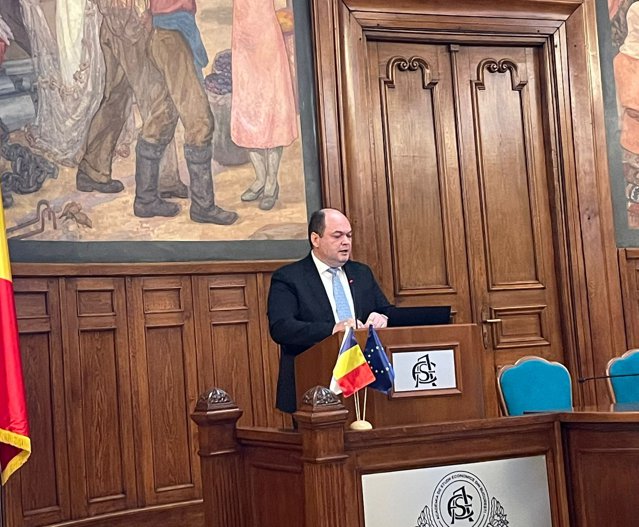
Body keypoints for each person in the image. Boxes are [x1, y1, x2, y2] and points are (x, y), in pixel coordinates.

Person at [267, 208, 392, 413]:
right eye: (337, 236)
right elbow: (282, 328)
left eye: (349, 236)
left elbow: (384, 309)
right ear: (315, 239)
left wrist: (382, 317)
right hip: (313, 384)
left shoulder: (361, 273)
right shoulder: (289, 278)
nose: (346, 242)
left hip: (366, 383)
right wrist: (333, 329)